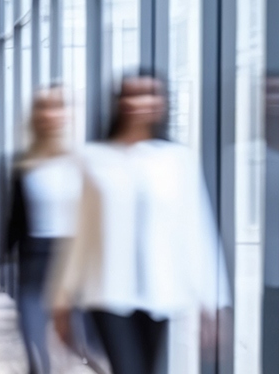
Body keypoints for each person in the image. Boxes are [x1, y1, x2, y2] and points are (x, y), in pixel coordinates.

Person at [48, 73, 228, 374]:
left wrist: (212, 299)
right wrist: (61, 299)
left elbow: (197, 230)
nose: (141, 102)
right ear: (119, 102)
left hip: (159, 291)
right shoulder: (93, 158)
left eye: (151, 94)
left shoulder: (177, 160)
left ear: (163, 103)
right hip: (106, 292)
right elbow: (78, 237)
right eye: (132, 94)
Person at [3, 86, 79, 374]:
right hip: (33, 260)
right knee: (36, 350)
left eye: (57, 107)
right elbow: (15, 217)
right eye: (43, 108)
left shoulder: (79, 162)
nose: (50, 114)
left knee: (69, 353)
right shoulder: (23, 165)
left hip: (70, 264)